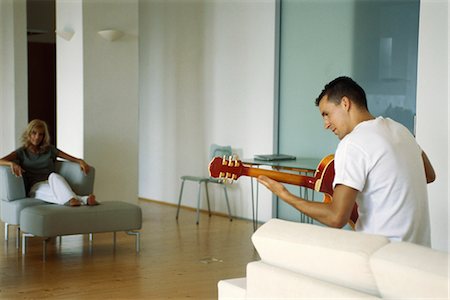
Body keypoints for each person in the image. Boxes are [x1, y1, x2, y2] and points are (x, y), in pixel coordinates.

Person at [257, 76, 435, 247]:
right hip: (418, 254)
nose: (326, 124)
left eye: (327, 114)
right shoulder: (401, 130)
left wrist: (284, 195)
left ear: (345, 103)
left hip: (381, 256)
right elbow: (428, 175)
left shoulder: (353, 143)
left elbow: (336, 218)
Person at [0, 119, 99, 207]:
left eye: (41, 134)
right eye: (34, 133)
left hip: (53, 183)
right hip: (35, 187)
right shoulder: (22, 152)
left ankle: (74, 200)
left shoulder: (49, 149)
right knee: (55, 192)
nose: (37, 137)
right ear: (28, 134)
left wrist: (80, 161)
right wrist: (12, 164)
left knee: (54, 176)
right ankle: (82, 199)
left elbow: (67, 157)